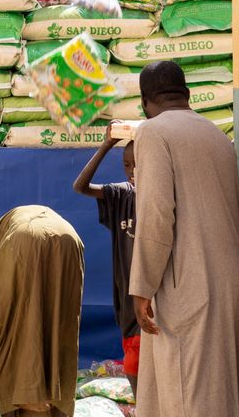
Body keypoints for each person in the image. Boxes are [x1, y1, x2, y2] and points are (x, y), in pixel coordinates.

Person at [129, 61, 239, 417]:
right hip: (230, 282)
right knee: (218, 395)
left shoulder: (152, 132)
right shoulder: (215, 133)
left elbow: (156, 214)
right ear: (188, 95)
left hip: (189, 283)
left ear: (144, 101)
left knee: (187, 396)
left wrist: (142, 288)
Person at [0, 206, 84, 417]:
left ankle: (14, 407)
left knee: (13, 333)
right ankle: (59, 407)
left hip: (22, 238)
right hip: (69, 238)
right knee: (63, 331)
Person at [73, 127, 140, 395]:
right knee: (138, 383)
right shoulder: (122, 194)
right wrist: (106, 145)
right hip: (127, 305)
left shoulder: (163, 196)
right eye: (126, 164)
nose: (132, 170)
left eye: (138, 163)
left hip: (154, 306)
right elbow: (80, 186)